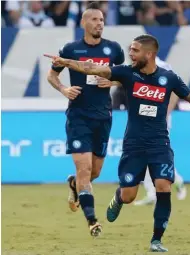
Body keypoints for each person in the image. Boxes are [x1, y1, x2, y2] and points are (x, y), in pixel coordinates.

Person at [44, 34, 190, 252]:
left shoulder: (169, 78)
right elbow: (91, 68)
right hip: (133, 146)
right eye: (130, 49)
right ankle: (119, 197)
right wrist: (65, 62)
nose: (130, 53)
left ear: (149, 54)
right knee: (129, 195)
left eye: (135, 50)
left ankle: (156, 240)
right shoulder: (126, 73)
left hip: (160, 144)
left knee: (163, 186)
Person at [46, 2, 124, 237]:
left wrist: (113, 82)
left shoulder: (114, 49)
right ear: (83, 23)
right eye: (94, 20)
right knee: (84, 168)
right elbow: (51, 75)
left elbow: (126, 77)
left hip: (103, 116)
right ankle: (92, 221)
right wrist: (63, 89)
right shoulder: (70, 49)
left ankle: (73, 185)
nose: (99, 23)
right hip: (79, 116)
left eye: (102, 20)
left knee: (95, 172)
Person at [134, 56, 187, 206]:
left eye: (136, 50)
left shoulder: (163, 67)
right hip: (142, 117)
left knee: (157, 155)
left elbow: (175, 91)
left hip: (159, 119)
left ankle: (176, 179)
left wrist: (166, 113)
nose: (132, 54)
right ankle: (152, 193)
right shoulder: (136, 66)